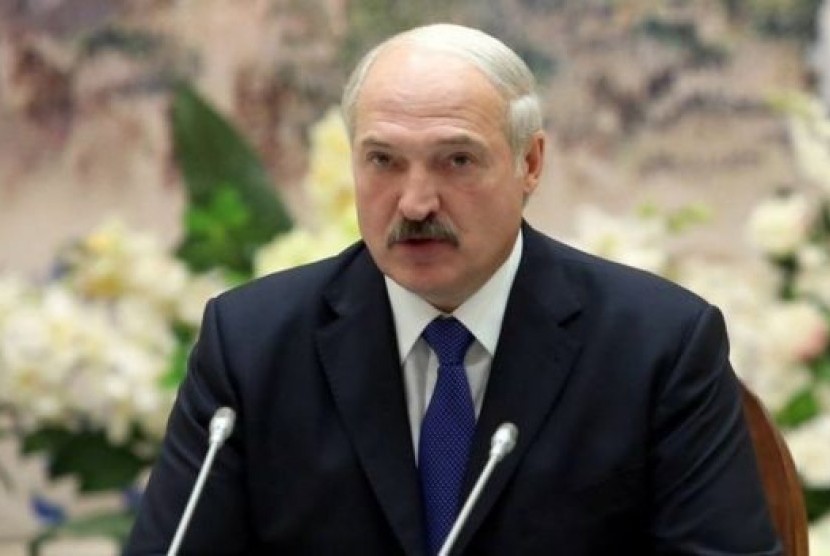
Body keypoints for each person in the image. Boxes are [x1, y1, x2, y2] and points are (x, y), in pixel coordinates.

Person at [125, 23, 781, 555]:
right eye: (383, 160)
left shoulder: (657, 345)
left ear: (529, 163)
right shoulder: (251, 344)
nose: (415, 202)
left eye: (457, 160)